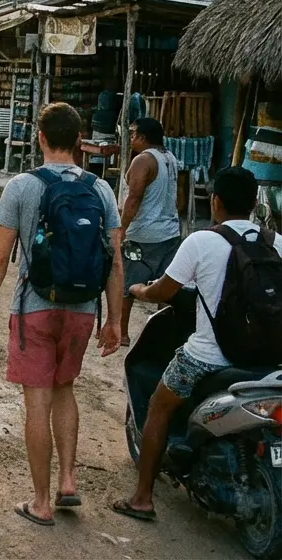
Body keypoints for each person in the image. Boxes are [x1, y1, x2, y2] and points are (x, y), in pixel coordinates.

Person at [0, 102, 123, 527]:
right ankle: (68, 481)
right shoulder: (101, 190)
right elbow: (114, 261)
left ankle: (41, 503)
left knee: (36, 402)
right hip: (82, 312)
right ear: (80, 141)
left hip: (35, 310)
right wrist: (115, 320)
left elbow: (1, 255)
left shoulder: (21, 186)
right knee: (66, 390)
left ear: (40, 137)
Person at [112, 167, 282, 522]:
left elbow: (164, 292)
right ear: (253, 204)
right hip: (269, 361)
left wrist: (139, 289)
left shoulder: (201, 242)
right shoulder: (277, 243)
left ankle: (142, 498)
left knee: (159, 406)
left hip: (207, 359)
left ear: (215, 201)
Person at [119, 118, 183, 346]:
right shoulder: (170, 158)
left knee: (128, 284)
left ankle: (122, 333)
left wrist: (122, 228)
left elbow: (134, 198)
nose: (131, 137)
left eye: (133, 133)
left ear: (143, 137)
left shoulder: (143, 160)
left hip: (144, 232)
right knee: (164, 286)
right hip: (170, 231)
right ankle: (160, 336)